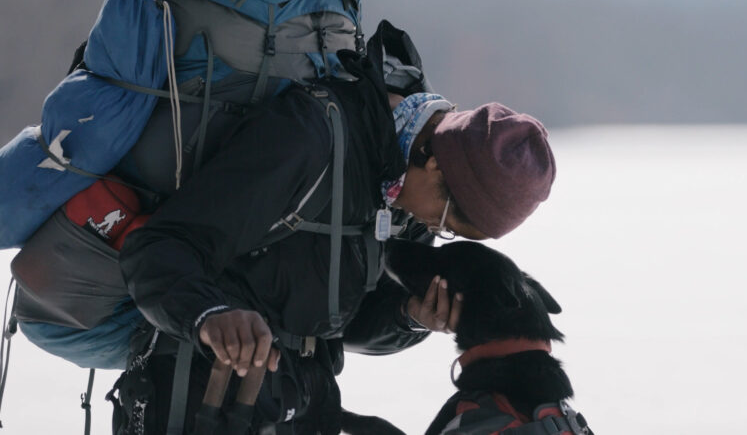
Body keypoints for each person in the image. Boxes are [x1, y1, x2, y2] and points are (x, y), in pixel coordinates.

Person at [114, 54, 556, 433]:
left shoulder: (400, 189)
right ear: (437, 164)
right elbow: (159, 247)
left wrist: (407, 317)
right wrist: (211, 314)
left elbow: (338, 320)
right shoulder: (308, 139)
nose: (430, 227)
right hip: (197, 401)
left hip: (302, 404)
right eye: (446, 219)